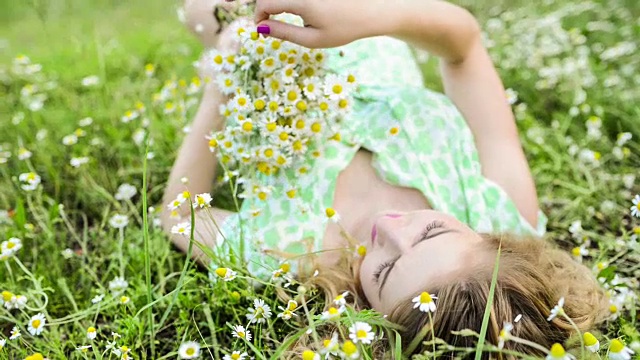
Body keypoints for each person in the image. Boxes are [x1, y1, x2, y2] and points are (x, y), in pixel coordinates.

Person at [163, 0, 609, 357]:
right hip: (362, 22)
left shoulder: (288, 252)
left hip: (251, 41)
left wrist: (220, 82)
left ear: (370, 312)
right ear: (488, 238)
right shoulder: (505, 212)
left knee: (202, 9)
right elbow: (465, 47)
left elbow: (178, 215)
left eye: (386, 270)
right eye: (431, 230)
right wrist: (370, 13)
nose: (389, 228)